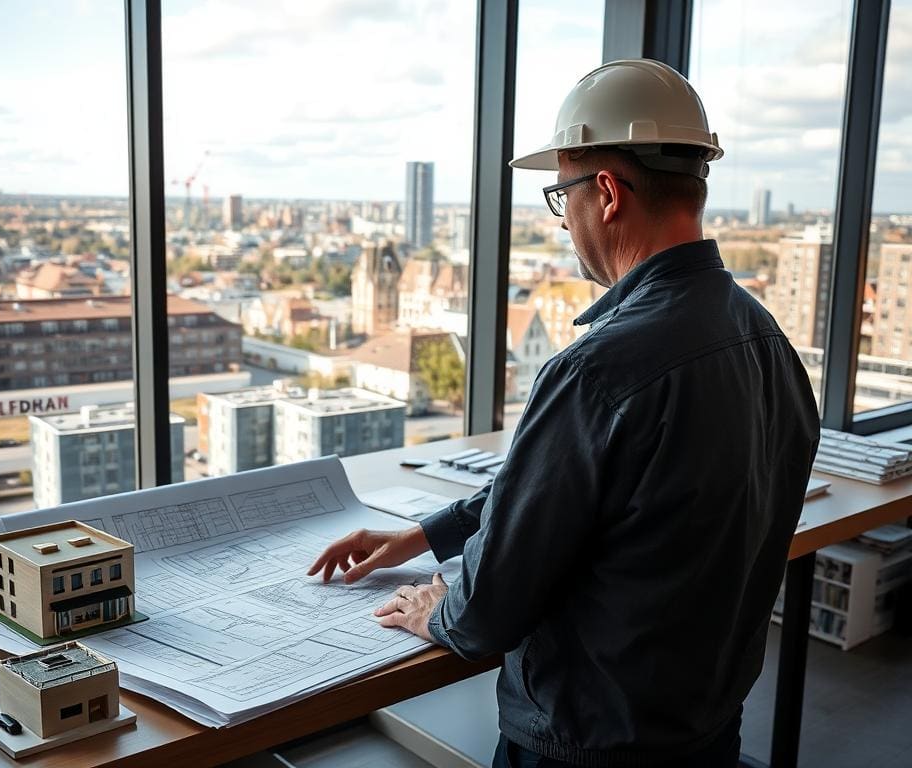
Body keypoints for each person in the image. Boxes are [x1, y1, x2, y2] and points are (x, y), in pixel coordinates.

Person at [308, 59, 819, 768]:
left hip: (585, 746)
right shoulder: (767, 343)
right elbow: (576, 490)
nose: (564, 219)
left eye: (561, 195)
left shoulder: (598, 370)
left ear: (606, 193)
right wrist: (424, 537)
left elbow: (489, 607)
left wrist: (440, 613)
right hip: (706, 733)